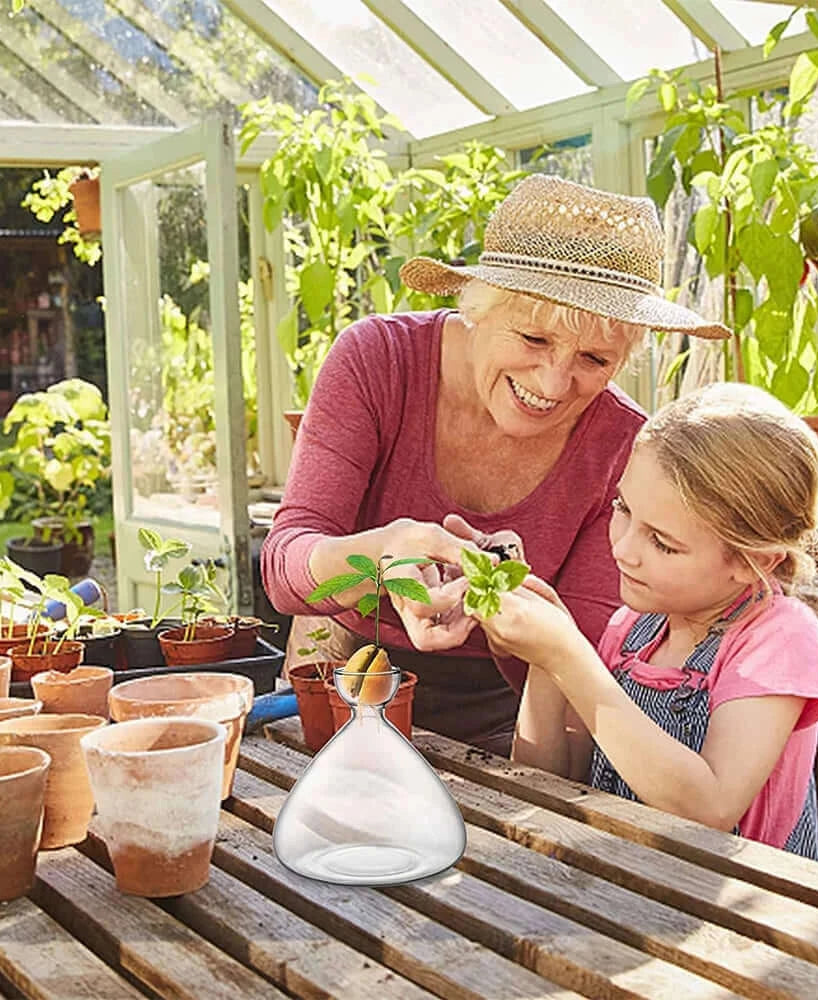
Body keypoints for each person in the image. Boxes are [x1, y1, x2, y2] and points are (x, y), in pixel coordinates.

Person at [260, 173, 730, 756]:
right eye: (534, 339)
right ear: (477, 306)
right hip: (343, 683)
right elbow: (284, 569)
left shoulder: (622, 443)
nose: (555, 383)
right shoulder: (376, 362)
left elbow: (577, 669)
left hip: (507, 724)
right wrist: (384, 553)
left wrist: (509, 608)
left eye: (594, 358)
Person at [472, 383, 818, 857]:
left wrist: (571, 656)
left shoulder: (778, 638)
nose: (623, 549)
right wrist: (547, 663)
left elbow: (710, 809)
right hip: (628, 887)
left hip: (736, 913)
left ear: (754, 562)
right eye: (623, 509)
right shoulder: (633, 630)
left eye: (662, 542)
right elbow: (551, 780)